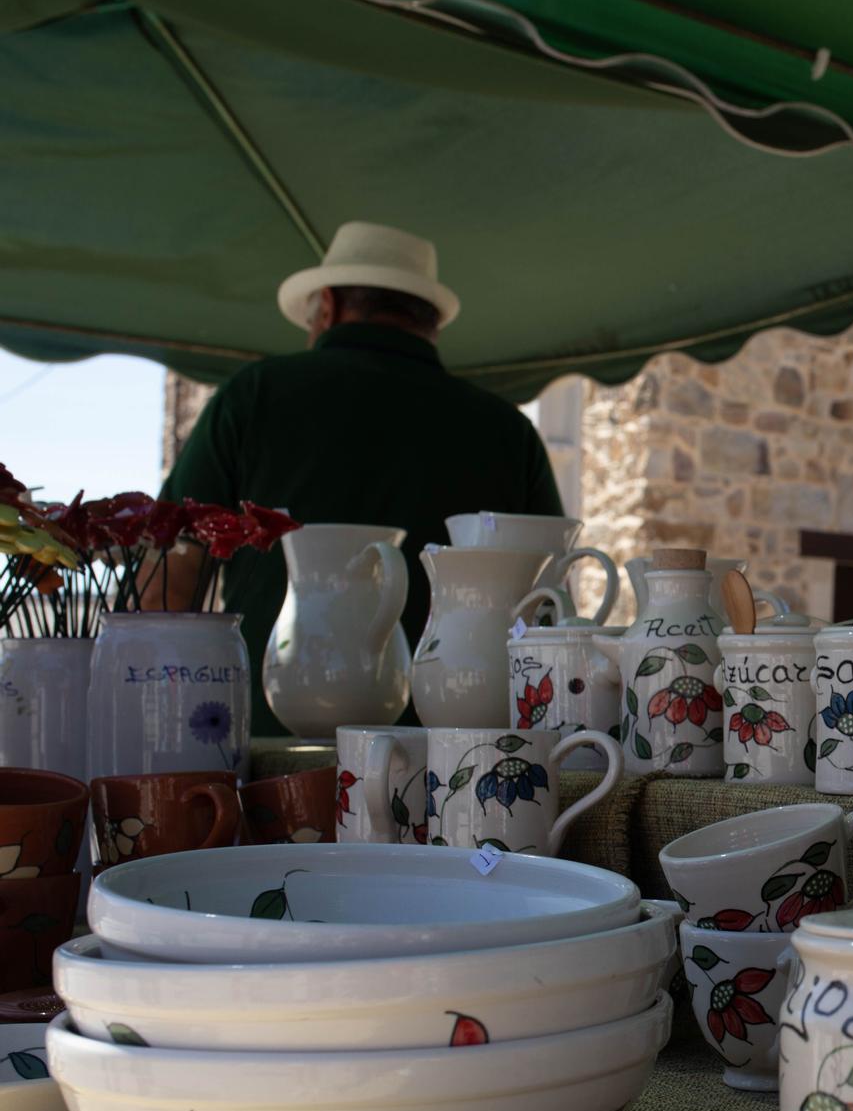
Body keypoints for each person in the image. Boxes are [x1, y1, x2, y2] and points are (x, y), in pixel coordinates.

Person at [158, 221, 564, 736]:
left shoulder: (255, 395)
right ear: (433, 323)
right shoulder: (509, 431)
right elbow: (549, 601)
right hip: (453, 751)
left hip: (265, 743)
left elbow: (169, 576)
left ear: (327, 306)